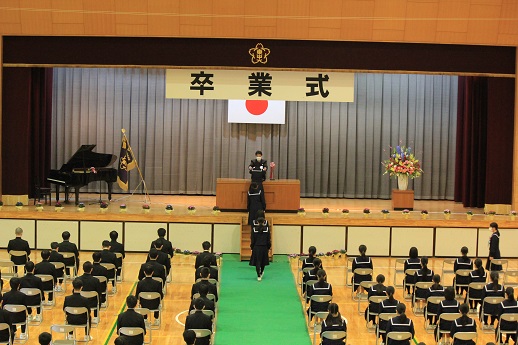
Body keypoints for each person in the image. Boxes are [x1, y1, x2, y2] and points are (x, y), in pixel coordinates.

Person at [249, 216, 271, 281]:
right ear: (264, 222)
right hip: (264, 247)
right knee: (263, 262)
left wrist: (252, 247)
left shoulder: (254, 229)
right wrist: (268, 247)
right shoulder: (267, 229)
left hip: (256, 247)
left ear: (257, 222)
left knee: (257, 262)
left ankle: (258, 275)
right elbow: (268, 240)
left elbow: (252, 240)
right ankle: (261, 273)